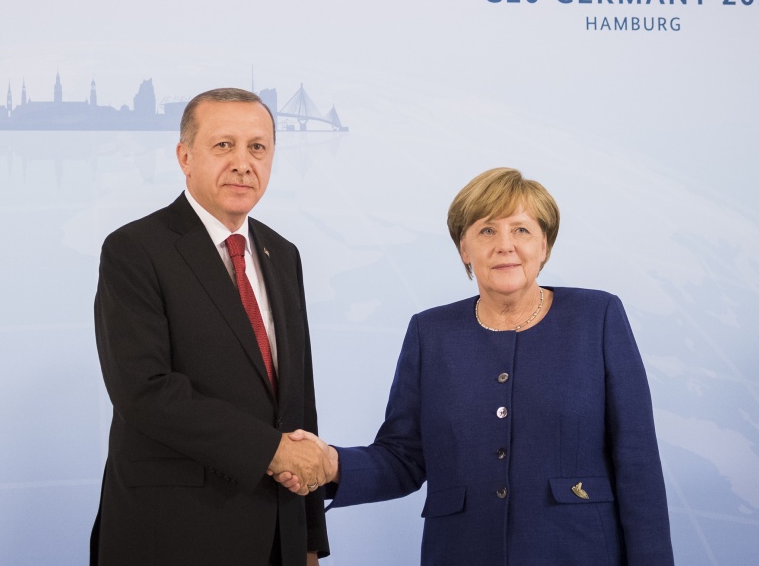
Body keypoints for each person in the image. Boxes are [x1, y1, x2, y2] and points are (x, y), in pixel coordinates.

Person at [278, 167, 673, 565]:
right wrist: (331, 464)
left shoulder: (597, 316)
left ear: (545, 246)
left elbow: (637, 460)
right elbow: (404, 458)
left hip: (578, 550)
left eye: (521, 230)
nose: (505, 245)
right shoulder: (429, 332)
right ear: (464, 249)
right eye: (486, 231)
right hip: (460, 551)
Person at [91, 87, 330, 566]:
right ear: (184, 156)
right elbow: (145, 391)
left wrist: (308, 539)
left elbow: (297, 403)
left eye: (257, 147)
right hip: (171, 535)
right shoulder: (135, 249)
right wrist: (271, 451)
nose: (243, 162)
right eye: (224, 145)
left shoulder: (283, 255)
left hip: (274, 538)